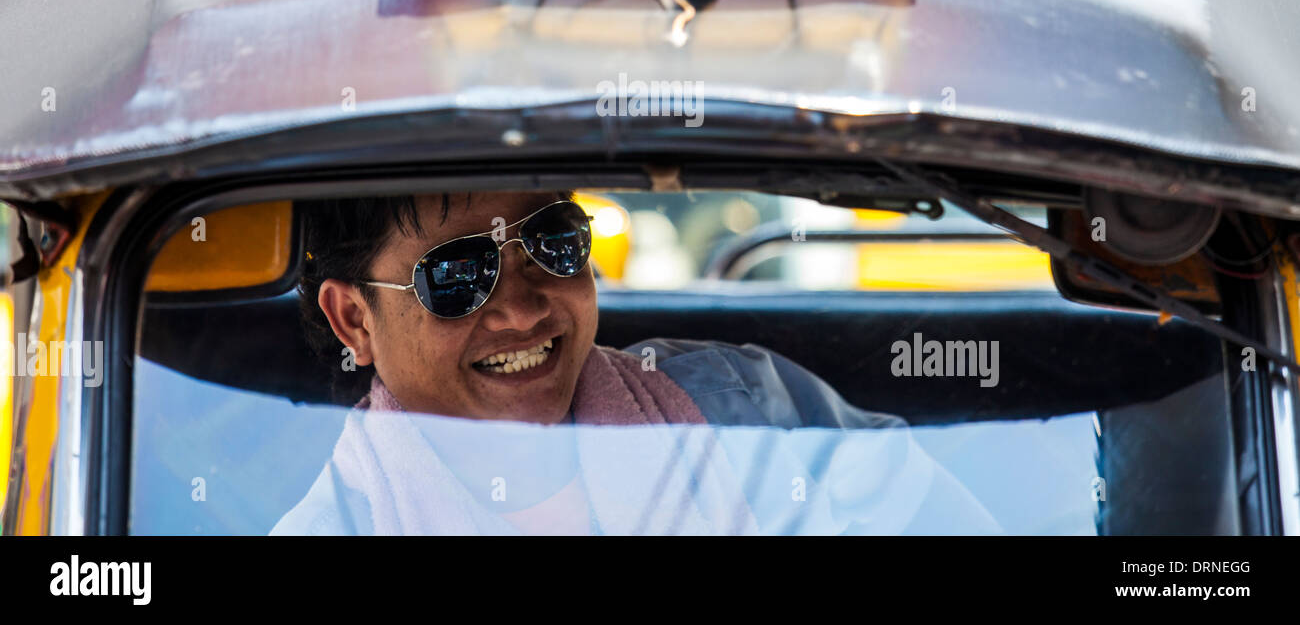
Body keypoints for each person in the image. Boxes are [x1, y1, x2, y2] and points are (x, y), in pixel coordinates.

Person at [272, 190, 1000, 534]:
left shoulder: (746, 408)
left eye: (555, 242)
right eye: (459, 275)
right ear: (354, 319)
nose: (524, 310)